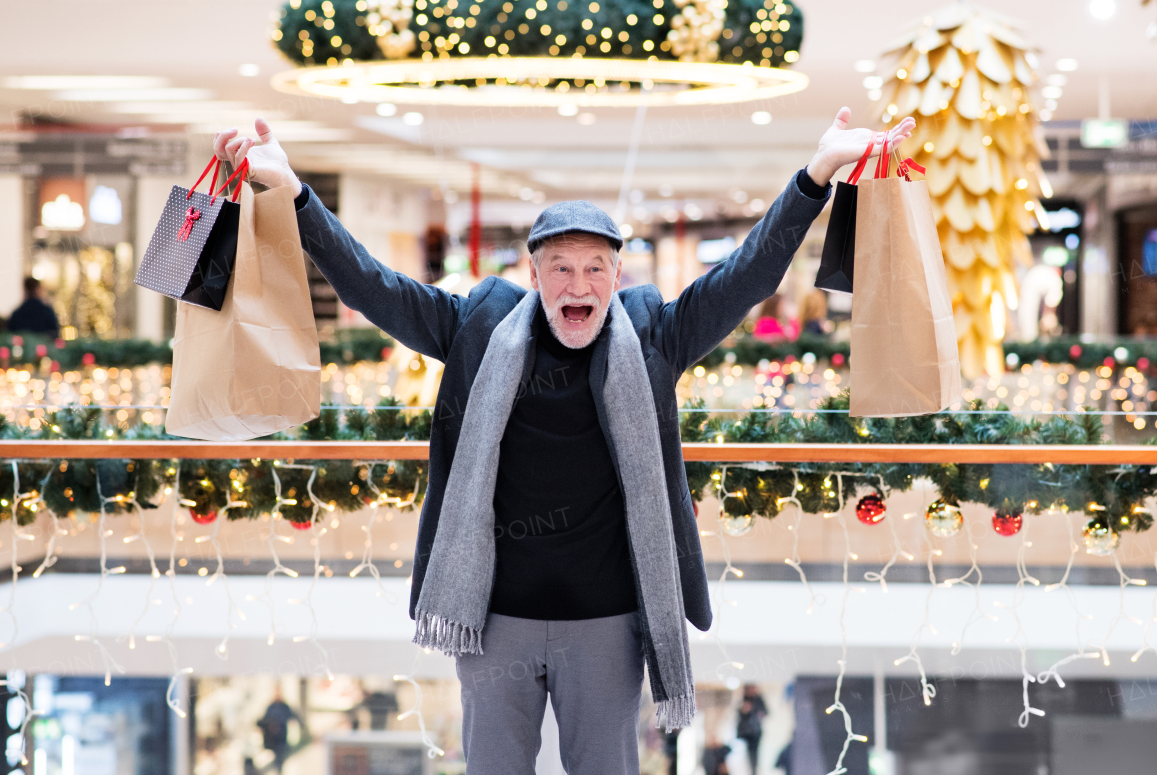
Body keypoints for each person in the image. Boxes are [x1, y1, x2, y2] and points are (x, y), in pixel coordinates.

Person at [214, 109, 915, 774]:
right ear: (534, 274)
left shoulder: (653, 336)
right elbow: (371, 286)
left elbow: (748, 276)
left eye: (594, 268)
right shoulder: (478, 327)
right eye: (561, 267)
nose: (578, 284)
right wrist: (295, 193)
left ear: (616, 275)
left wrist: (817, 173)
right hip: (491, 623)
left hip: (606, 628)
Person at [256, 689, 299, 774]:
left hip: (282, 737)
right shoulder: (271, 707)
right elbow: (265, 719)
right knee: (276, 758)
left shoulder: (284, 707)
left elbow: (293, 716)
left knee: (280, 757)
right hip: (273, 738)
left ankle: (279, 771)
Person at [736, 683, 769, 775]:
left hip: (755, 731)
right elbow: (739, 714)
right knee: (749, 753)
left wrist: (756, 713)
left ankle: (754, 771)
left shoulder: (759, 700)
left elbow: (766, 713)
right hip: (746, 732)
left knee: (755, 753)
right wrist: (743, 710)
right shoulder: (743, 699)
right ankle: (751, 770)